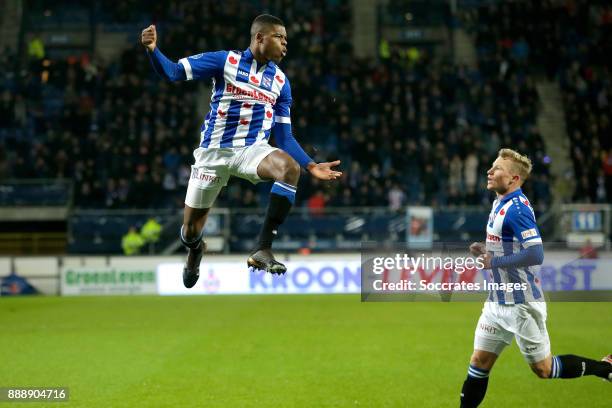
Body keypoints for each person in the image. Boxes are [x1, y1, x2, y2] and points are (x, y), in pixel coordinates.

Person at [141, 15, 342, 288]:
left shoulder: (281, 82)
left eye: (286, 39)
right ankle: (195, 249)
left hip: (251, 150)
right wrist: (153, 50)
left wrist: (309, 165)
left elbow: (283, 135)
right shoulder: (225, 61)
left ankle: (263, 248)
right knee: (189, 232)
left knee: (289, 168)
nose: (285, 44)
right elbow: (174, 72)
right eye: (279, 37)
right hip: (213, 155)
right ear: (259, 37)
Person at [460, 148, 611, 408]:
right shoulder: (499, 202)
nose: (490, 171)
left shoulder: (518, 210)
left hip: (521, 304)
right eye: (492, 166)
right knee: (478, 362)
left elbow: (536, 254)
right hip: (496, 301)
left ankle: (603, 368)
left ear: (514, 179)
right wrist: (486, 251)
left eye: (497, 169)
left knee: (543, 369)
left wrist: (493, 261)